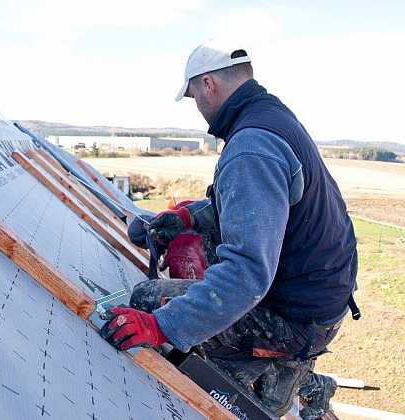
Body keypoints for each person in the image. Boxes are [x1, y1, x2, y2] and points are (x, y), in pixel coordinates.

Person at [100, 41, 359, 419]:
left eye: (193, 97)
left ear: (208, 85)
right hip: (319, 297)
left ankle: (281, 380)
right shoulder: (271, 118)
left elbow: (247, 273)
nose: (198, 109)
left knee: (149, 302)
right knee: (200, 268)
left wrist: (161, 327)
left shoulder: (251, 147)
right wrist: (190, 218)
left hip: (296, 316)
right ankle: (297, 374)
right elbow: (257, 205)